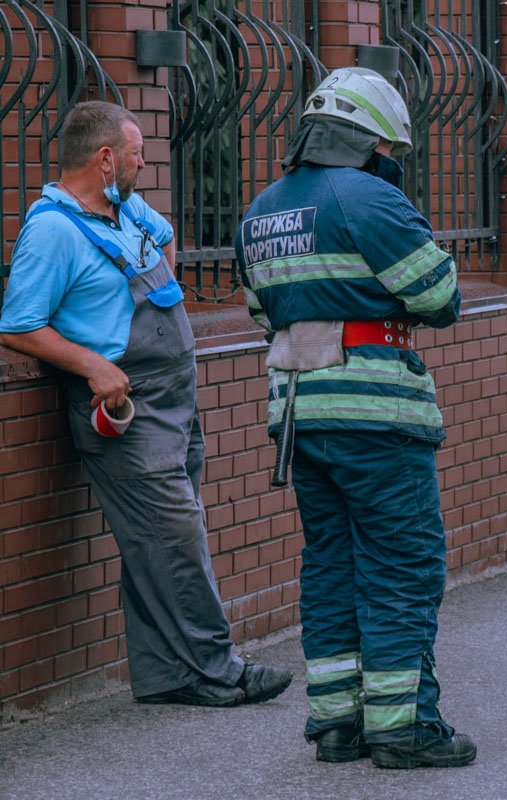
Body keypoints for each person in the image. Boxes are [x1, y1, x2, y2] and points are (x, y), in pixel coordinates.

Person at [0, 102, 292, 708]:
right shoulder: (51, 230)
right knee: (174, 537)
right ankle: (218, 669)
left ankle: (166, 676)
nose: (144, 162)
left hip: (175, 397)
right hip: (125, 408)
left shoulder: (124, 208)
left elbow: (164, 240)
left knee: (153, 539)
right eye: (136, 153)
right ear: (105, 159)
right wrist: (95, 364)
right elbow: (19, 325)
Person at [234, 68, 473, 769]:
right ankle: (404, 726)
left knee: (331, 563)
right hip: (376, 413)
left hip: (299, 414)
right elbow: (440, 295)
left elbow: (259, 311)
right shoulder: (372, 198)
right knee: (402, 565)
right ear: (369, 140)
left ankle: (335, 723)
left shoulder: (261, 211)